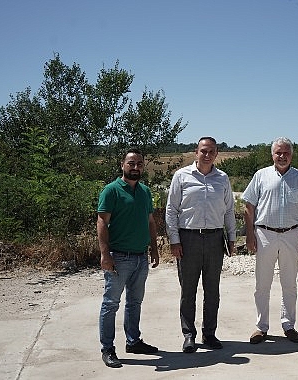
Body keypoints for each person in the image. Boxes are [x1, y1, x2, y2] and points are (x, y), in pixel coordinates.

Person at [165, 136, 237, 353]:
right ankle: (189, 335)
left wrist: (231, 238)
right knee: (188, 291)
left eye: (211, 151)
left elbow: (229, 210)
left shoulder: (222, 178)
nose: (207, 155)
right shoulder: (182, 176)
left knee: (212, 290)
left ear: (216, 154)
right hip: (188, 239)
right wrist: (174, 241)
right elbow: (171, 210)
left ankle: (209, 334)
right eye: (203, 151)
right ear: (196, 152)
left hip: (215, 238)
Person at [242, 137, 298, 344]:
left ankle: (288, 324)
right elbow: (249, 206)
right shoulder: (260, 176)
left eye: (286, 153)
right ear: (272, 154)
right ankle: (261, 326)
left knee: (289, 284)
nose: (282, 156)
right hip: (265, 234)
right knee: (262, 284)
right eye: (278, 153)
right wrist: (249, 234)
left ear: (292, 155)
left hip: (291, 234)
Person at [97, 148, 160, 368]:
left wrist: (154, 248)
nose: (135, 167)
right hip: (118, 256)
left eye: (139, 164)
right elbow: (102, 222)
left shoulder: (145, 191)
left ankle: (133, 341)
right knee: (111, 303)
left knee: (135, 302)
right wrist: (105, 254)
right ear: (123, 165)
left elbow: (150, 221)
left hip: (141, 257)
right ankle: (108, 349)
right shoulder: (111, 190)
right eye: (131, 163)